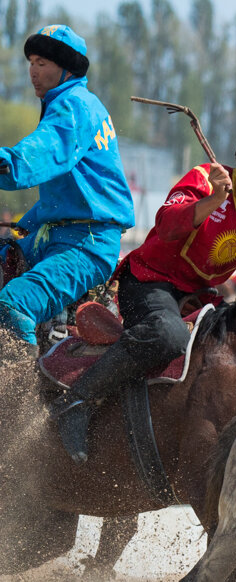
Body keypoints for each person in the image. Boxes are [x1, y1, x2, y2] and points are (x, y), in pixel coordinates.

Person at [51, 129, 236, 464]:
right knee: (167, 335)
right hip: (149, 281)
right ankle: (77, 402)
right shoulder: (203, 179)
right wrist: (213, 201)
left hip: (201, 299)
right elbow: (167, 226)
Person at [0, 24, 134, 359]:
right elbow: (61, 199)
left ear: (67, 68)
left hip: (87, 243)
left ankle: (22, 398)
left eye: (42, 63)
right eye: (31, 61)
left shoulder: (74, 106)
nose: (33, 70)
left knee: (12, 303)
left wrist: (7, 163)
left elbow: (37, 155)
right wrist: (21, 228)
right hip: (54, 235)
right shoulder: (69, 104)